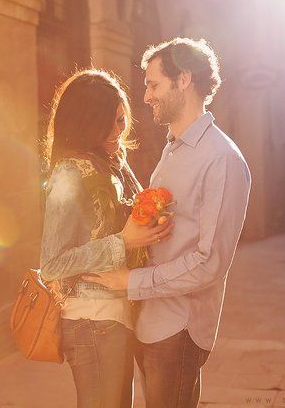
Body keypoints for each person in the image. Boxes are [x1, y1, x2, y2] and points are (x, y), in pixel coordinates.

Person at [85, 38, 251, 408]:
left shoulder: (221, 160)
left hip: (178, 328)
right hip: (151, 319)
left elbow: (211, 262)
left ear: (184, 80)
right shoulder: (174, 148)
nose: (146, 96)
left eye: (153, 84)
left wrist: (131, 282)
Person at [39, 69, 174, 408]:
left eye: (121, 121)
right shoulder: (69, 174)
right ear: (88, 121)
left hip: (118, 314)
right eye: (112, 123)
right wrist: (123, 242)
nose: (119, 131)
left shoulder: (112, 162)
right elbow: (53, 264)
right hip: (91, 319)